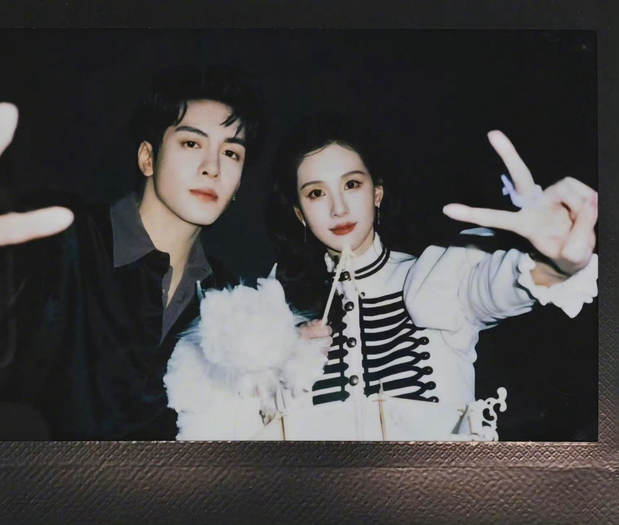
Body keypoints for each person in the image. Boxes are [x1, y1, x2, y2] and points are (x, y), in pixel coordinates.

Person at [164, 111, 598, 441]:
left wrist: (553, 263)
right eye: (316, 193)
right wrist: (277, 369)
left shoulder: (437, 274)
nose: (338, 208)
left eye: (352, 185)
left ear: (378, 192)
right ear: (299, 213)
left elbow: (498, 286)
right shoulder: (272, 311)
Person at [0, 65, 266, 440]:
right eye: (192, 143)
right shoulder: (60, 237)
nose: (212, 168)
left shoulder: (228, 297)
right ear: (148, 158)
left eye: (231, 152)